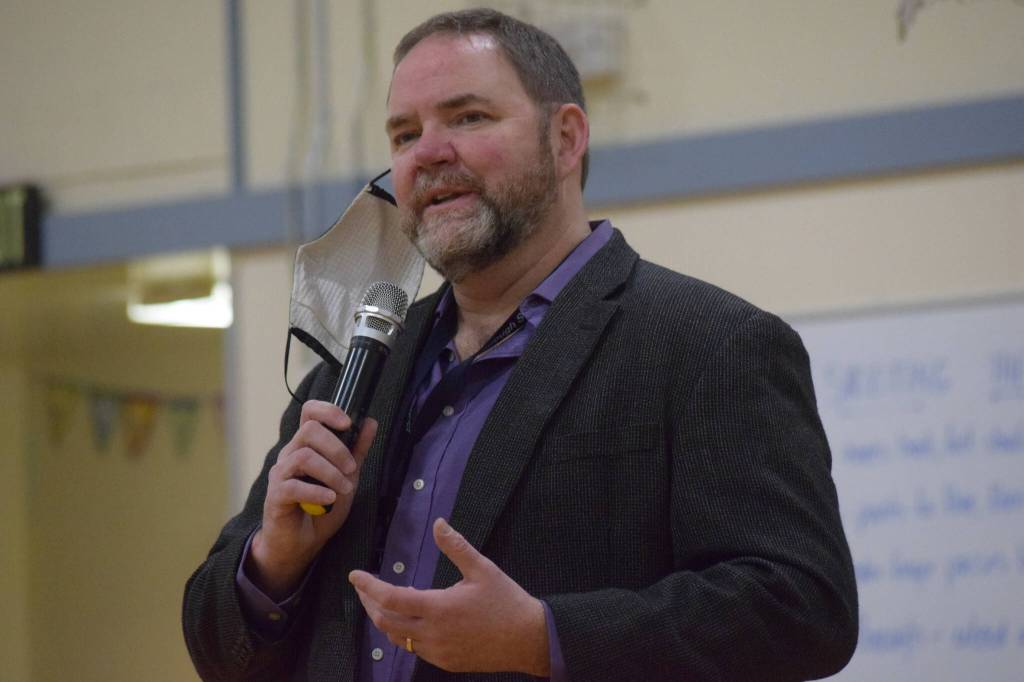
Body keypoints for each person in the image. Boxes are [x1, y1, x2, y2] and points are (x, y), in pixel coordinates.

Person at [183, 8, 858, 681]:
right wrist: (274, 561)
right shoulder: (346, 375)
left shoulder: (712, 346)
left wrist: (547, 637)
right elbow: (217, 647)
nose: (428, 151)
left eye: (468, 117)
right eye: (404, 132)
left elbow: (801, 608)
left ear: (565, 140)